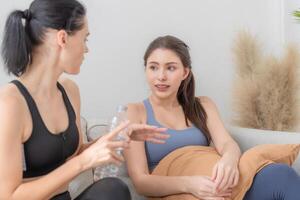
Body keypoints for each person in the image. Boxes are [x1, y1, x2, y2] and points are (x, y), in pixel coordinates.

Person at [0, 0, 169, 199]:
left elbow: (76, 154)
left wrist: (118, 138)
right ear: (63, 38)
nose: (86, 49)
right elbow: (8, 195)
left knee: (113, 189)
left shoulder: (69, 91)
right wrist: (82, 163)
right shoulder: (11, 103)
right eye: (85, 39)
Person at [124, 35, 300, 200]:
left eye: (170, 68)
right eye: (153, 67)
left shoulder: (203, 105)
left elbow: (226, 143)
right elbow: (141, 182)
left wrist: (229, 161)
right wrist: (190, 184)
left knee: (281, 175)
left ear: (185, 73)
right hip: (181, 191)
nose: (161, 76)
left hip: (219, 180)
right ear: (146, 70)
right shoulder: (135, 112)